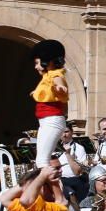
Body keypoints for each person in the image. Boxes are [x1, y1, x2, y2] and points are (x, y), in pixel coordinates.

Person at [29, 40, 68, 169]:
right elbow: (46, 90)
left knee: (42, 162)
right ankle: (48, 188)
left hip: (52, 120)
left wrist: (60, 88)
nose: (35, 67)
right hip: (46, 122)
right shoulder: (46, 77)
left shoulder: (55, 74)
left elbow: (60, 83)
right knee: (40, 161)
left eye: (37, 63)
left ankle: (54, 189)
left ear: (47, 60)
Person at [56, 127, 88, 203]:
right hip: (60, 182)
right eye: (61, 132)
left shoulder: (79, 148)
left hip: (75, 182)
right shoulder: (55, 148)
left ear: (72, 132)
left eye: (66, 132)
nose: (64, 135)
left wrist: (68, 155)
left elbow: (78, 172)